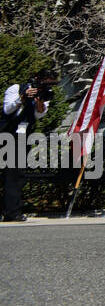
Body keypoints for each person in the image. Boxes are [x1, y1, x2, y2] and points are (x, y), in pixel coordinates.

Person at [2, 67, 57, 222]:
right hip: (7, 133)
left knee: (17, 174)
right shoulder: (16, 88)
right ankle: (11, 211)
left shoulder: (44, 94)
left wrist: (40, 102)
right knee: (12, 174)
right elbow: (7, 109)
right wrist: (22, 98)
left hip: (23, 136)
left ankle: (12, 211)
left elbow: (39, 114)